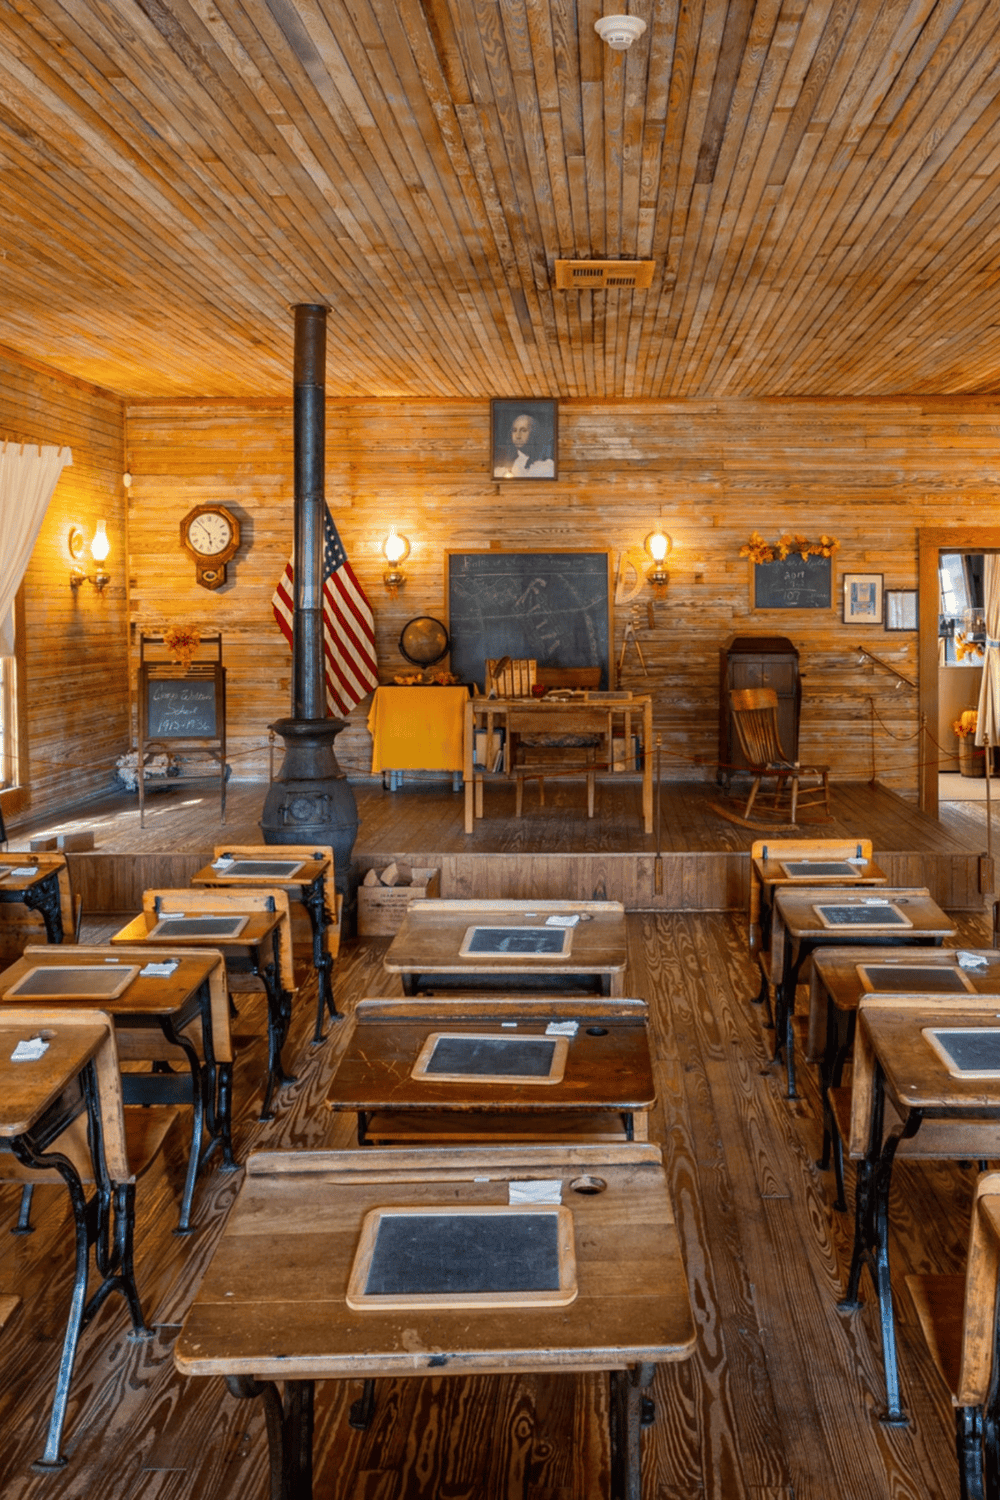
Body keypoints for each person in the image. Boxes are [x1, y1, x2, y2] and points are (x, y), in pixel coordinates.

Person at [494, 411, 555, 478]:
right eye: (514, 430)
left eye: (523, 430)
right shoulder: (507, 465)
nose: (517, 436)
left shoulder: (547, 466)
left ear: (533, 433)